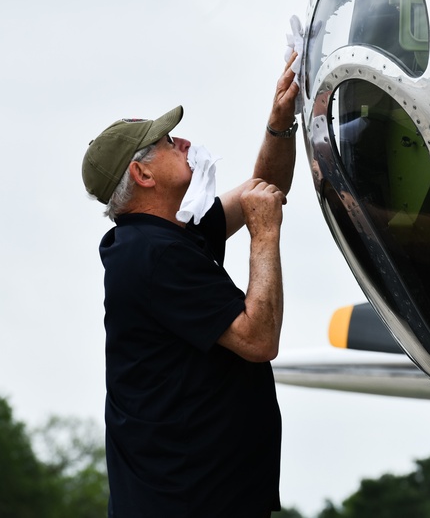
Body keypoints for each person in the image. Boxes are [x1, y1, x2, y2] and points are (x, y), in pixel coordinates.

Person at [80, 54, 300, 517]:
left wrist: (280, 124)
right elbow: (259, 339)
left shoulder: (165, 236)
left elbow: (265, 188)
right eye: (166, 142)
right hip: (190, 503)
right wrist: (265, 236)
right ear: (142, 174)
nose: (183, 142)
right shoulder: (154, 255)